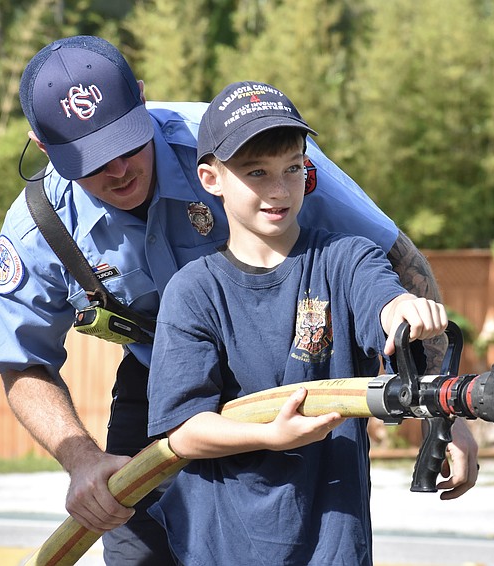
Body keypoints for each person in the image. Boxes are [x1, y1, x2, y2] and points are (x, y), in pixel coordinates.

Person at [0, 35, 478, 565]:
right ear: (41, 143)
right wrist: (80, 460)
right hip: (161, 380)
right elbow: (21, 359)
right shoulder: (41, 228)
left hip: (289, 363)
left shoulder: (246, 146)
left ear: (142, 99)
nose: (119, 170)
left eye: (127, 144)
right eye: (93, 161)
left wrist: (441, 409)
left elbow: (392, 262)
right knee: (136, 552)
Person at [147, 80, 452, 565]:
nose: (278, 190)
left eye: (293, 169)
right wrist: (269, 435)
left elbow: (384, 303)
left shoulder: (345, 258)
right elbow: (182, 434)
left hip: (332, 545)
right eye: (256, 172)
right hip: (222, 546)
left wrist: (403, 312)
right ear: (210, 178)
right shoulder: (194, 291)